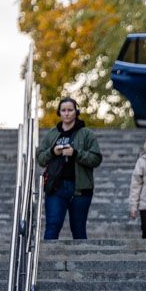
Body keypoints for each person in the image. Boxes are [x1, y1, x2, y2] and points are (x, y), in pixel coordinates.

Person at [38, 97, 103, 240]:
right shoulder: (52, 134)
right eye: (63, 110)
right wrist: (52, 152)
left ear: (76, 112)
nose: (66, 113)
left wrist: (76, 153)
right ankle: (47, 261)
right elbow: (40, 158)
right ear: (59, 113)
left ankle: (82, 262)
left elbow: (96, 159)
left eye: (70, 110)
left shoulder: (87, 134)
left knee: (78, 230)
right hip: (56, 187)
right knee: (52, 226)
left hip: (80, 189)